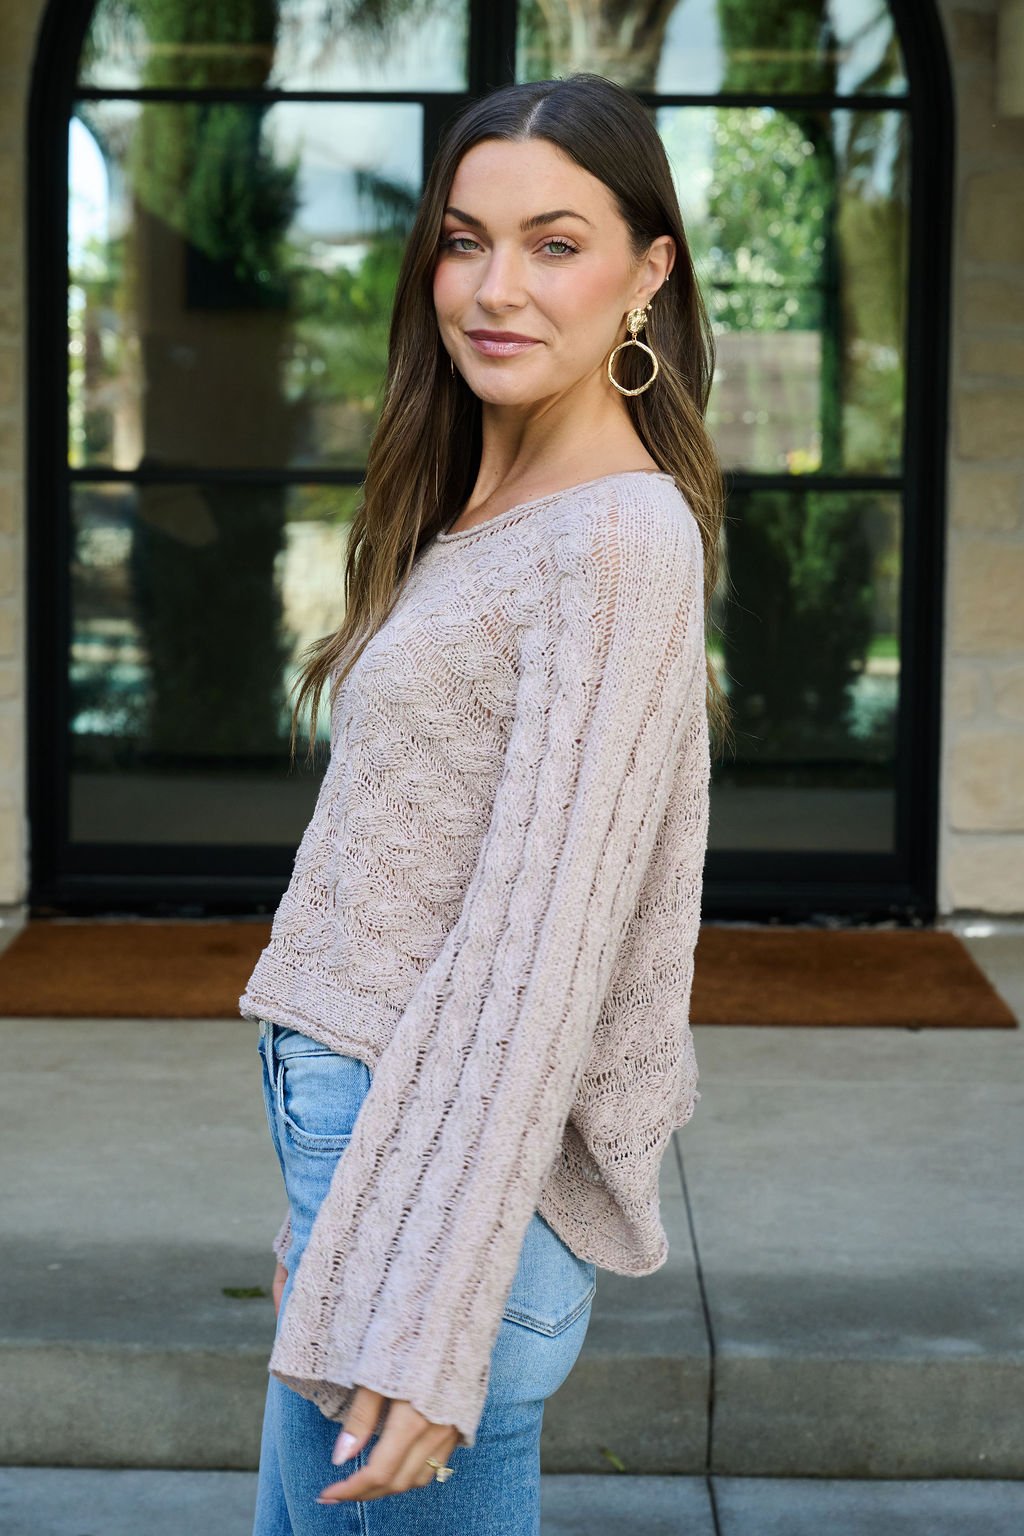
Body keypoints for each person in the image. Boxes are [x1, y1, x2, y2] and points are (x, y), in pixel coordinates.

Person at [241, 69, 730, 1536]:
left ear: (648, 273)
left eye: (554, 244)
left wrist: (429, 1306)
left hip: (443, 1191)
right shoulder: (484, 504)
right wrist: (322, 1205)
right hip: (377, 1160)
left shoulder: (619, 539)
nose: (494, 288)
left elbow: (543, 956)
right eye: (465, 242)